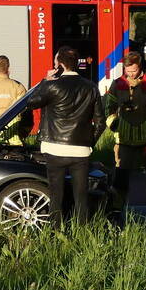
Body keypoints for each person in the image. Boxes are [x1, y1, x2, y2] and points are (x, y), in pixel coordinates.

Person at [27, 46, 106, 224]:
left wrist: (45, 81)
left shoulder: (52, 86)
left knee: (56, 195)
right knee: (81, 196)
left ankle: (56, 230)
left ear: (60, 64)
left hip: (54, 147)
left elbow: (31, 102)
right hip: (81, 150)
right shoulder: (91, 88)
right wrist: (89, 141)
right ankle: (82, 232)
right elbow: (101, 122)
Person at [105, 51, 146, 221]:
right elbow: (108, 108)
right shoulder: (118, 84)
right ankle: (116, 211)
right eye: (128, 70)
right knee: (121, 178)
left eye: (134, 70)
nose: (131, 73)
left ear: (140, 67)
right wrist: (114, 124)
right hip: (125, 140)